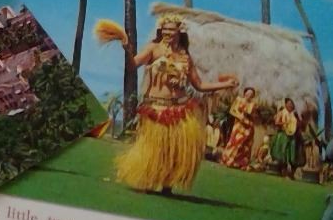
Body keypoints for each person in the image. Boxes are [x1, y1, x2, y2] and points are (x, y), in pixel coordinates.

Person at [96, 15, 237, 194]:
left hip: (180, 107)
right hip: (156, 107)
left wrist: (225, 84)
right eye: (165, 29)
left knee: (174, 149)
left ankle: (167, 185)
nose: (167, 33)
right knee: (153, 148)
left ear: (179, 31)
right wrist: (126, 48)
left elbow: (199, 85)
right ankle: (148, 180)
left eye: (171, 29)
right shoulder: (153, 49)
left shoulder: (185, 56)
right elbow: (132, 65)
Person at [219, 86, 259, 170]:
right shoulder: (239, 99)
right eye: (248, 93)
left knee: (245, 145)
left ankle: (240, 163)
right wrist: (239, 116)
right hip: (239, 125)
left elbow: (255, 116)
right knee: (235, 142)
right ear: (245, 93)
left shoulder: (253, 105)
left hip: (248, 126)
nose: (249, 95)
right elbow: (232, 111)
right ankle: (228, 159)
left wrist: (251, 116)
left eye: (251, 94)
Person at [270, 97, 301, 178]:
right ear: (286, 104)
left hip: (292, 136)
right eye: (289, 103)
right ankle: (283, 171)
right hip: (283, 135)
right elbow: (276, 122)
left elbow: (298, 124)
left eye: (292, 104)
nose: (290, 105)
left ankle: (291, 173)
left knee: (292, 153)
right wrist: (284, 123)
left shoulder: (294, 115)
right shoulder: (281, 112)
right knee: (283, 152)